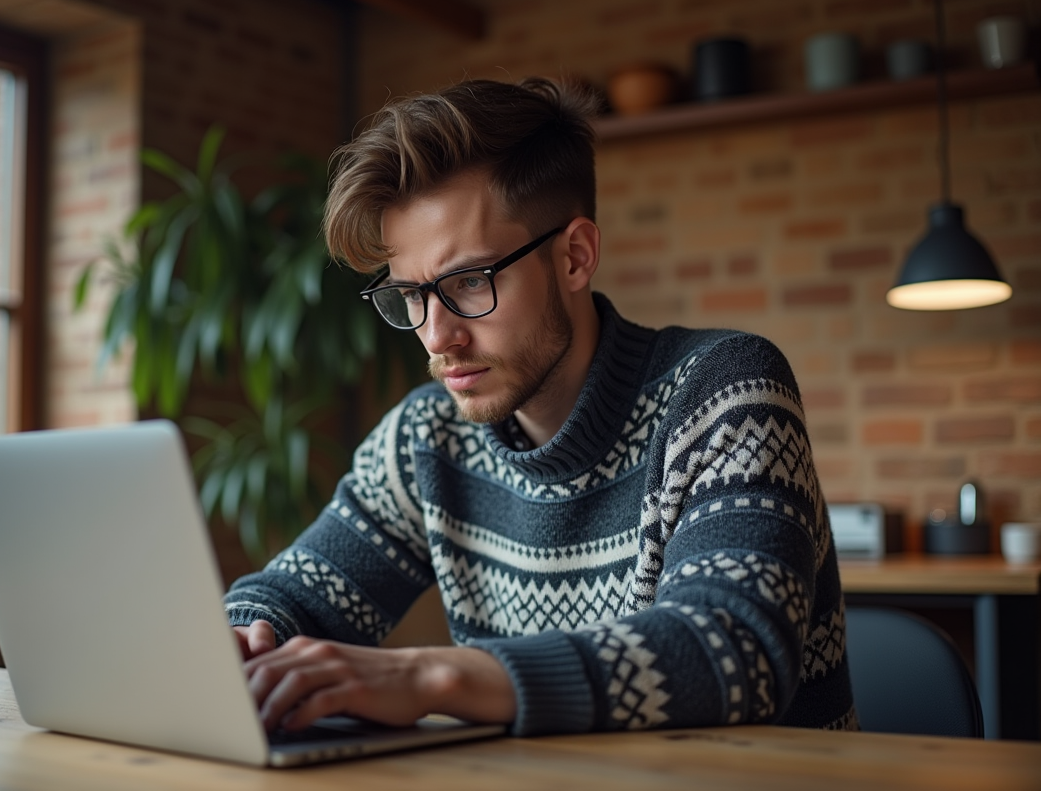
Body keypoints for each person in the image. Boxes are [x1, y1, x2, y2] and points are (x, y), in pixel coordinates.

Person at [225, 77, 856, 737]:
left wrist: (432, 678)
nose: (437, 337)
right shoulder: (426, 437)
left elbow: (736, 649)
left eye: (469, 281)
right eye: (411, 295)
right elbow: (287, 598)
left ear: (576, 256)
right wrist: (246, 649)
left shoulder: (724, 391)